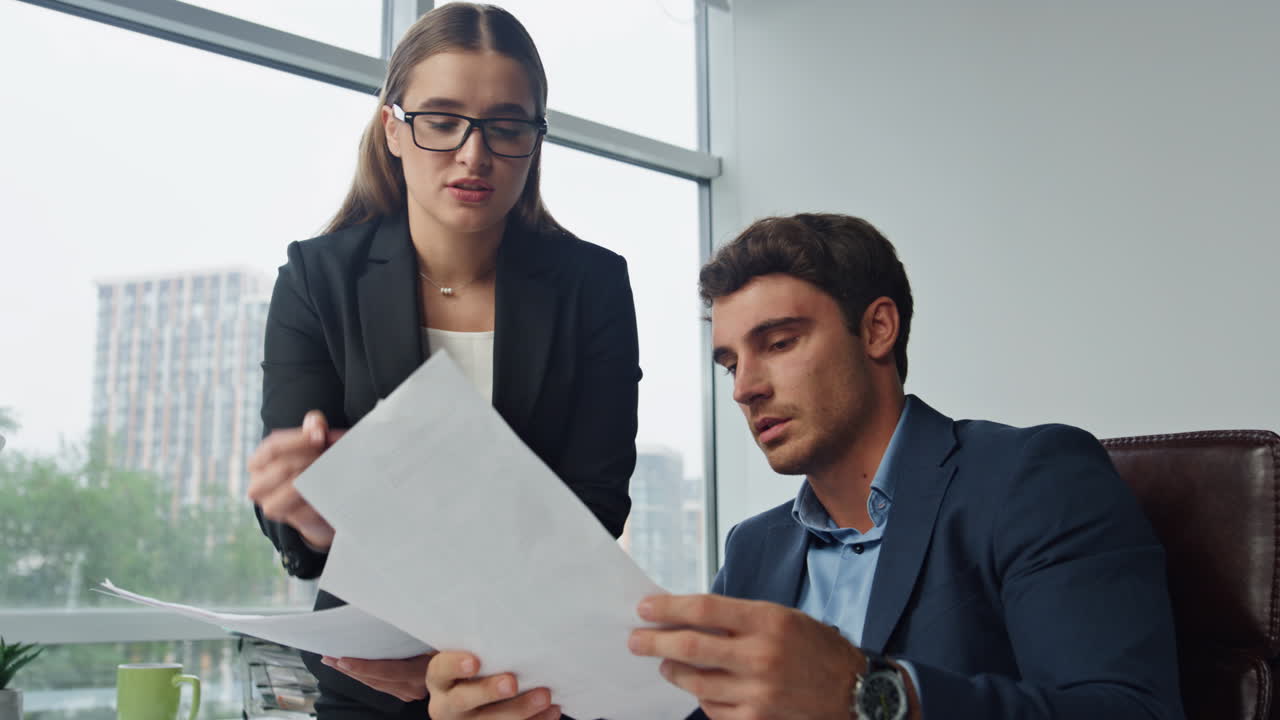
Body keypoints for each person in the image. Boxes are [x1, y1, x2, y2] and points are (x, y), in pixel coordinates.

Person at [425, 213, 1185, 720]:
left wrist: (872, 694)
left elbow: (1128, 710)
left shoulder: (1031, 478)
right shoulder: (757, 549)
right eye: (730, 361)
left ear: (877, 329)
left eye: (779, 342)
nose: (746, 386)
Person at [245, 4, 641, 719]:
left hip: (530, 682)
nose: (473, 153)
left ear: (535, 139)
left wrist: (467, 651)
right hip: (367, 684)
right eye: (442, 119)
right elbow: (299, 531)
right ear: (394, 128)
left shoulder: (593, 286)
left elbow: (595, 507)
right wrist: (304, 511)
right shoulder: (317, 279)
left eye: (507, 125)